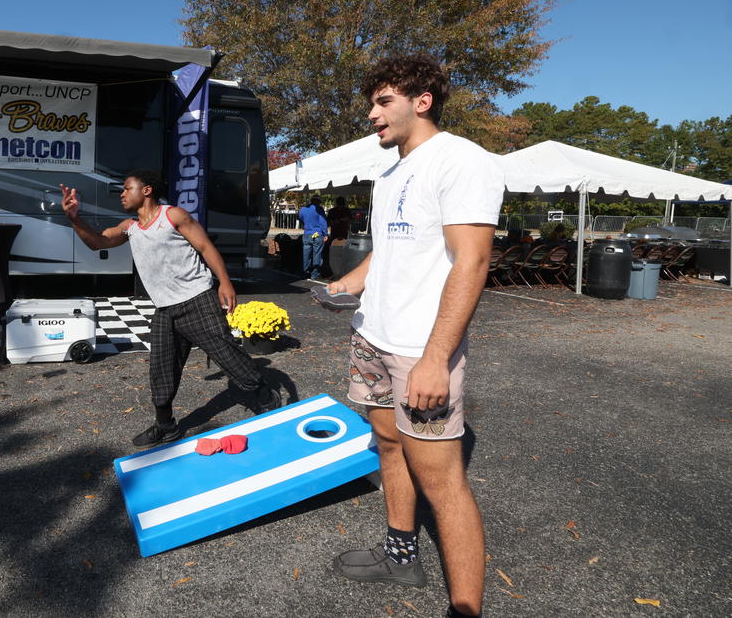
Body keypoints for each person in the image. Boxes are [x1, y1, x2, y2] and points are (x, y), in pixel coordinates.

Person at [322, 54, 503, 618]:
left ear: (421, 102)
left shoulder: (462, 161)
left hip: (420, 351)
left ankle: (465, 609)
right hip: (372, 336)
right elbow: (393, 249)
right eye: (371, 104)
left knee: (444, 484)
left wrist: (435, 359)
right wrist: (346, 285)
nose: (372, 114)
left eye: (383, 102)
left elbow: (471, 263)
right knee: (389, 444)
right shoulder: (393, 171)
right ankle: (401, 556)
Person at [60, 169, 281, 447]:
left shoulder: (172, 216)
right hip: (165, 309)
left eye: (128, 187)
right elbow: (98, 242)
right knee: (161, 368)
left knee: (227, 354)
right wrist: (74, 218)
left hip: (197, 299)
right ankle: (166, 426)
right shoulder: (130, 227)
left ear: (147, 190)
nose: (122, 193)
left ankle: (266, 398)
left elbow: (204, 246)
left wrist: (225, 282)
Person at [298, 195, 329, 279]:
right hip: (316, 233)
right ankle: (314, 274)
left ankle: (305, 272)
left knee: (306, 254)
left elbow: (300, 218)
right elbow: (323, 222)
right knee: (317, 253)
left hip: (307, 233)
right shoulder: (319, 209)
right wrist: (325, 234)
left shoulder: (303, 209)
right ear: (318, 202)